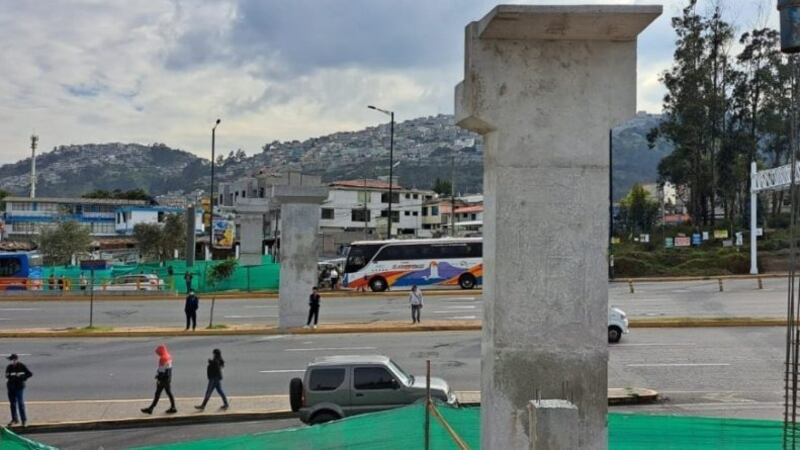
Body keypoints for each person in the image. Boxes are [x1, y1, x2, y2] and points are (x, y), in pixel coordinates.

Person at [141, 344, 177, 414]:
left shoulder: (162, 358)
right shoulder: (168, 356)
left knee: (158, 394)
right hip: (168, 378)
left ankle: (151, 409)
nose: (158, 354)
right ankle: (173, 407)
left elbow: (161, 371)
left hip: (163, 379)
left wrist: (158, 379)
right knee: (168, 393)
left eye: (158, 353)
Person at [5, 354, 32, 427]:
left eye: (13, 360)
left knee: (20, 403)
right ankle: (14, 419)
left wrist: (22, 378)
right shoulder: (9, 367)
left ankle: (24, 420)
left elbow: (29, 374)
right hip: (11, 387)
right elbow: (7, 376)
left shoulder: (21, 366)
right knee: (12, 404)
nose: (12, 362)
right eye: (11, 360)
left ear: (16, 359)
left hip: (19, 387)